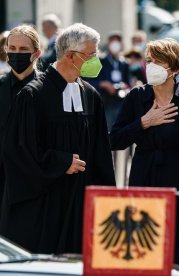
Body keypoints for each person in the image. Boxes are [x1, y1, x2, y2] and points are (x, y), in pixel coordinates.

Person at [0, 23, 115, 254]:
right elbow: (20, 150)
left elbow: (101, 153)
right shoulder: (33, 95)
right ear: (72, 56)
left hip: (79, 201)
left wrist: (105, 198)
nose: (96, 60)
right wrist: (60, 162)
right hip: (44, 203)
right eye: (91, 54)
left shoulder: (90, 95)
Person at [109, 38, 179, 265]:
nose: (151, 66)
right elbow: (115, 139)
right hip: (143, 174)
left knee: (177, 243)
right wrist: (144, 122)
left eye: (158, 61)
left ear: (175, 68)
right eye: (148, 60)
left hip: (177, 176)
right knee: (142, 241)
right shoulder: (136, 97)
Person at [0, 25, 41, 212]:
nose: (17, 54)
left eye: (24, 49)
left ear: (36, 53)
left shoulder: (48, 90)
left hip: (35, 182)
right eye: (12, 48)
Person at [85, 31, 130, 130]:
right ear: (108, 43)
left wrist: (124, 87)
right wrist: (104, 84)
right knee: (106, 130)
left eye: (118, 41)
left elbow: (128, 82)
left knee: (120, 129)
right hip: (104, 102)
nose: (115, 43)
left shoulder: (124, 62)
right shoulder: (99, 60)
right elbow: (88, 81)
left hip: (120, 101)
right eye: (113, 40)